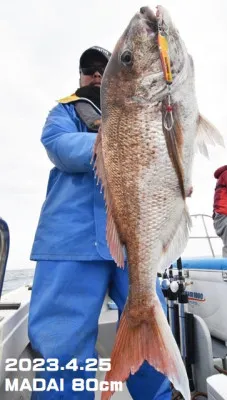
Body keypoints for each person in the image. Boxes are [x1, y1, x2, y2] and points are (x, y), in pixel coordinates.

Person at [28, 46, 173, 399]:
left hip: (132, 243)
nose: (94, 74)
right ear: (80, 76)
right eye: (87, 68)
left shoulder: (142, 110)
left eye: (101, 67)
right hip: (69, 243)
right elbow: (59, 145)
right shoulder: (64, 111)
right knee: (62, 346)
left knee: (153, 333)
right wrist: (124, 141)